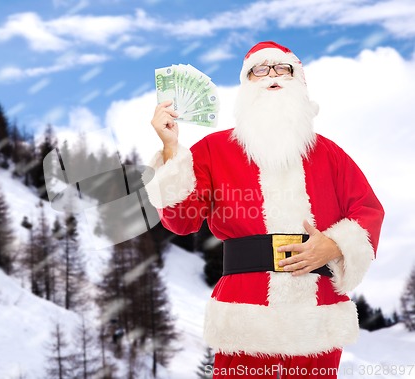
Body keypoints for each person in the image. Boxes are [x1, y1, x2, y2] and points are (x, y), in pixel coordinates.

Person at [143, 41, 384, 378]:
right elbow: (181, 221)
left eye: (282, 68)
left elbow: (368, 210)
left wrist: (335, 244)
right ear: (246, 85)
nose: (272, 75)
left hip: (317, 314)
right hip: (245, 312)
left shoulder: (331, 155)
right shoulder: (214, 150)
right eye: (260, 69)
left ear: (299, 83)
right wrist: (170, 151)